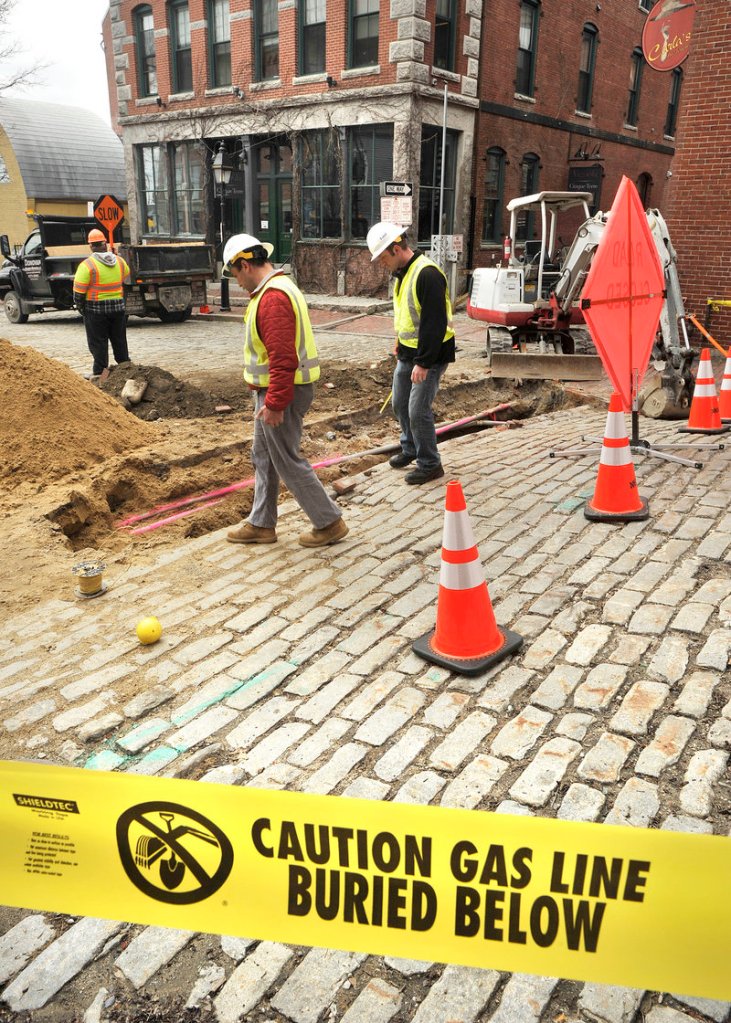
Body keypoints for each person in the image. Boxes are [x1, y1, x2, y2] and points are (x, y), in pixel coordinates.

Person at [222, 233, 348, 548]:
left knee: (286, 459)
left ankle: (328, 521)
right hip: (275, 390)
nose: (236, 282)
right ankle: (261, 523)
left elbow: (282, 357)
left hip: (282, 392)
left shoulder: (272, 298)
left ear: (246, 264)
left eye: (235, 273)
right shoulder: (275, 289)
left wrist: (276, 403)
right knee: (263, 455)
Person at [366, 222, 455, 484]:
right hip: (408, 352)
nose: (382, 264)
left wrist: (424, 363)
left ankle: (430, 463)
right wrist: (399, 343)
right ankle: (410, 448)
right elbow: (409, 316)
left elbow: (433, 324)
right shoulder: (404, 273)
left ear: (396, 248)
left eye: (382, 257)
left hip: (431, 356)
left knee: (418, 410)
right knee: (399, 403)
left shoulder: (427, 274)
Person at [73, 229, 131, 379]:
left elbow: (78, 293)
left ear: (91, 246)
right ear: (105, 244)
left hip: (95, 311)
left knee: (99, 343)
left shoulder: (87, 265)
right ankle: (126, 370)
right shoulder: (119, 261)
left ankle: (101, 375)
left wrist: (81, 309)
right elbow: (126, 275)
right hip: (118, 309)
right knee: (119, 340)